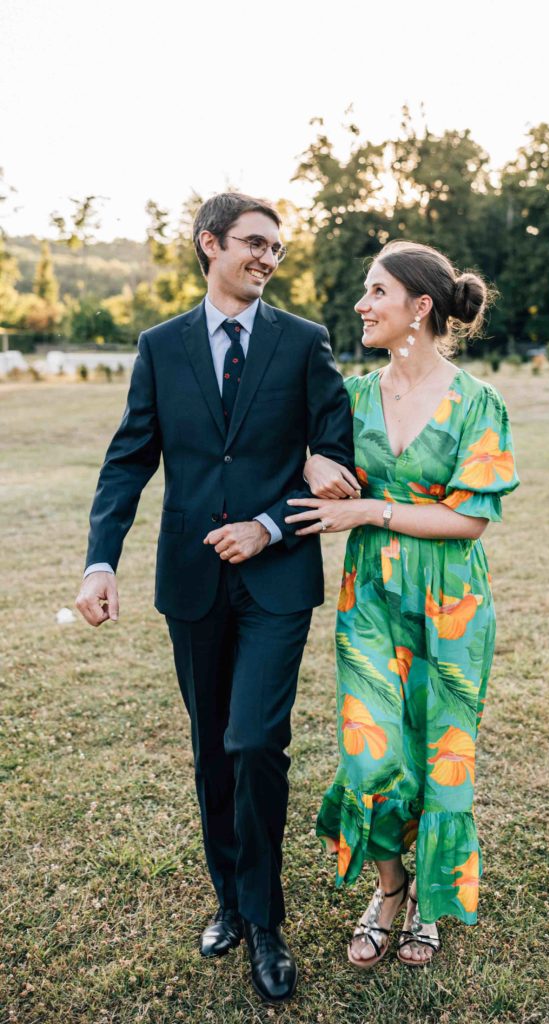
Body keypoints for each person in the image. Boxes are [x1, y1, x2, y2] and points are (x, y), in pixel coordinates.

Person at [75, 192, 356, 1004]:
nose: (267, 258)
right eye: (253, 244)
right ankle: (228, 901)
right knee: (210, 752)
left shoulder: (304, 343)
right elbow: (129, 460)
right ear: (210, 245)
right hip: (191, 583)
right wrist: (101, 562)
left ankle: (265, 921)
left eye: (276, 248)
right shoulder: (160, 347)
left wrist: (270, 525)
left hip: (276, 579)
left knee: (254, 742)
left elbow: (333, 454)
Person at [287, 240, 519, 968]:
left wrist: (370, 513)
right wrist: (315, 461)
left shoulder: (478, 403)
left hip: (451, 606)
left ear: (419, 307)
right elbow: (305, 452)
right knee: (371, 754)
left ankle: (428, 901)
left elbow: (470, 518)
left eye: (376, 291)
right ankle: (387, 890)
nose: (362, 304)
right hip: (372, 602)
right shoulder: (349, 396)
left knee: (439, 757)